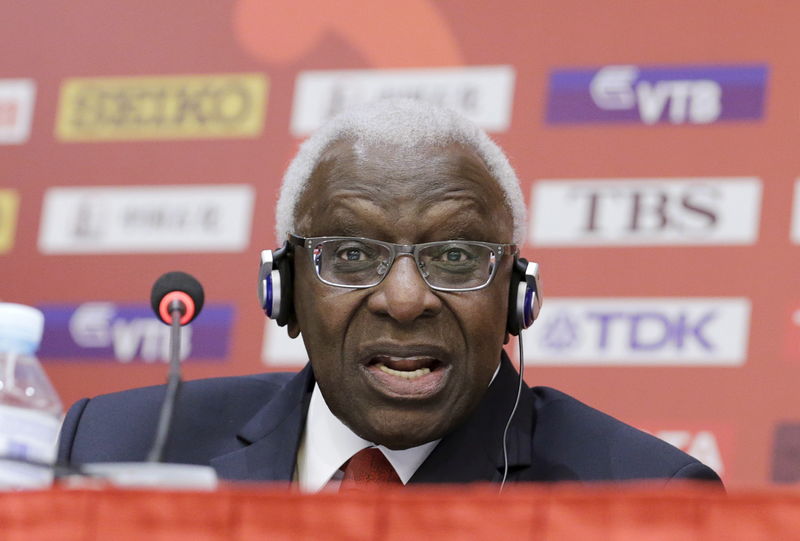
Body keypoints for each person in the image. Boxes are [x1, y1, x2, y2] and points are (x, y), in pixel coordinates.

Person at [57, 99, 722, 490]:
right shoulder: (121, 446)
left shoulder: (643, 499)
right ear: (284, 291)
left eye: (457, 257)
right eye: (351, 254)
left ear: (517, 298)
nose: (405, 301)